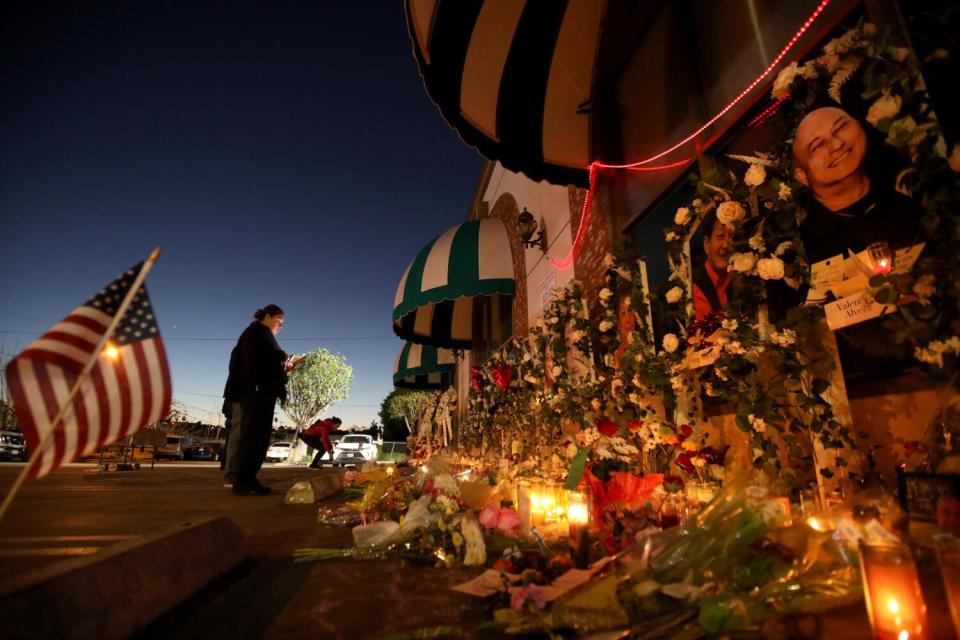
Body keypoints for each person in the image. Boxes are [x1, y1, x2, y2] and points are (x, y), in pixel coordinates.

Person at [792, 106, 922, 264]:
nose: (837, 144)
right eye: (818, 145)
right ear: (803, 176)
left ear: (859, 125)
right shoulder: (803, 246)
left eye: (841, 127)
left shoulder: (913, 191)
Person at [230, 304, 288, 496]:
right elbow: (257, 362)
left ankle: (247, 479)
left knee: (256, 437)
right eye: (278, 322)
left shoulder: (257, 334)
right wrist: (282, 357)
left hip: (260, 391)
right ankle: (244, 481)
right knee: (254, 437)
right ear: (268, 316)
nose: (279, 327)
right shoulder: (257, 333)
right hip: (257, 392)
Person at [692, 211, 734, 320]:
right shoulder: (694, 285)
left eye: (731, 236)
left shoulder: (741, 280)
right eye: (720, 236)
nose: (725, 245)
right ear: (707, 243)